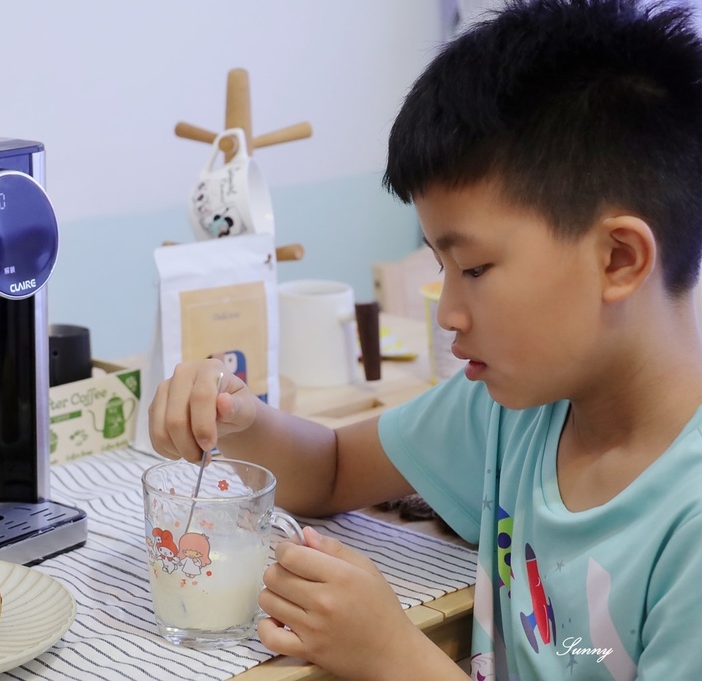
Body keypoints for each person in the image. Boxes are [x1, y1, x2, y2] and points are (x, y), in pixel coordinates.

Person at [147, 1, 702, 678]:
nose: (448, 314)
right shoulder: (517, 409)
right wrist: (238, 416)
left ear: (619, 258)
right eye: (442, 269)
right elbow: (330, 468)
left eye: (473, 268)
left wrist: (392, 655)